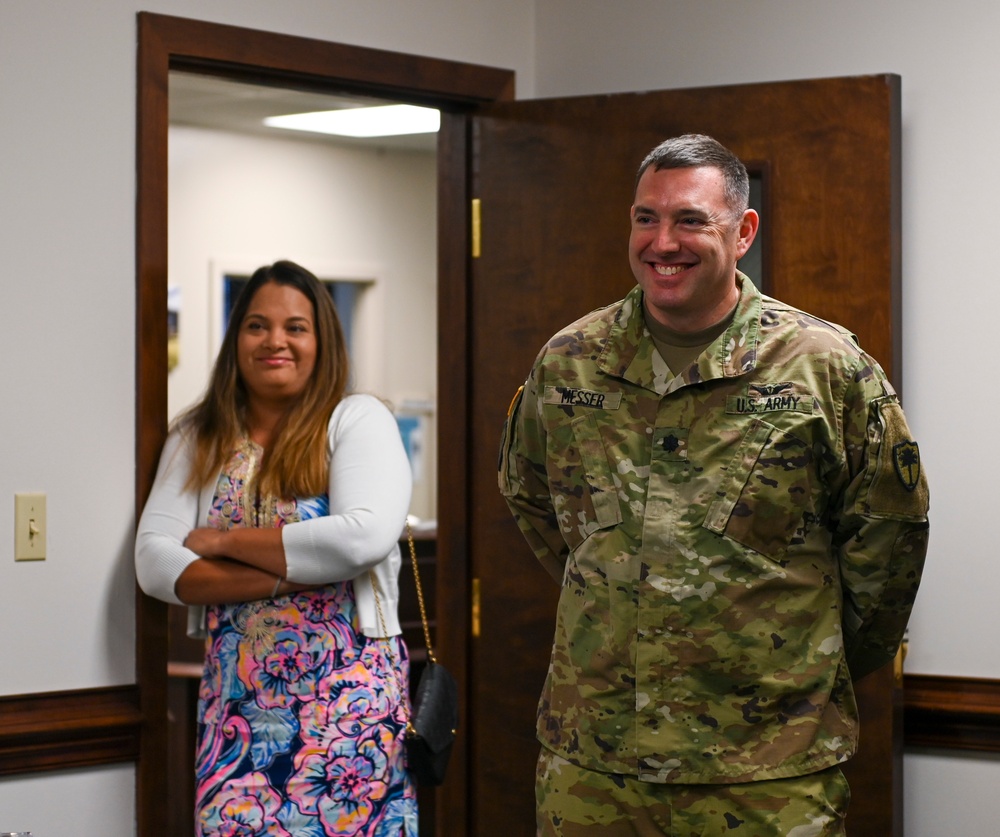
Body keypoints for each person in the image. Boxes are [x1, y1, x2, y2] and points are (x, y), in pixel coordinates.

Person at [498, 134, 929, 836]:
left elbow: (889, 540)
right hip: (597, 769)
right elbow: (536, 504)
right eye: (646, 218)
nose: (663, 241)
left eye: (690, 220)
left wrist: (802, 658)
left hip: (766, 771)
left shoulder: (824, 368)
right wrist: (628, 595)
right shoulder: (569, 363)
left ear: (743, 231)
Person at [136, 260, 417, 836]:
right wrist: (298, 571)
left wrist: (223, 543)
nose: (275, 341)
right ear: (236, 338)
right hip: (236, 709)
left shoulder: (357, 420)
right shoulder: (198, 436)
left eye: (296, 327)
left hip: (350, 712)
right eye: (257, 325)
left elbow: (362, 537)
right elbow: (155, 562)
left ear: (322, 341)